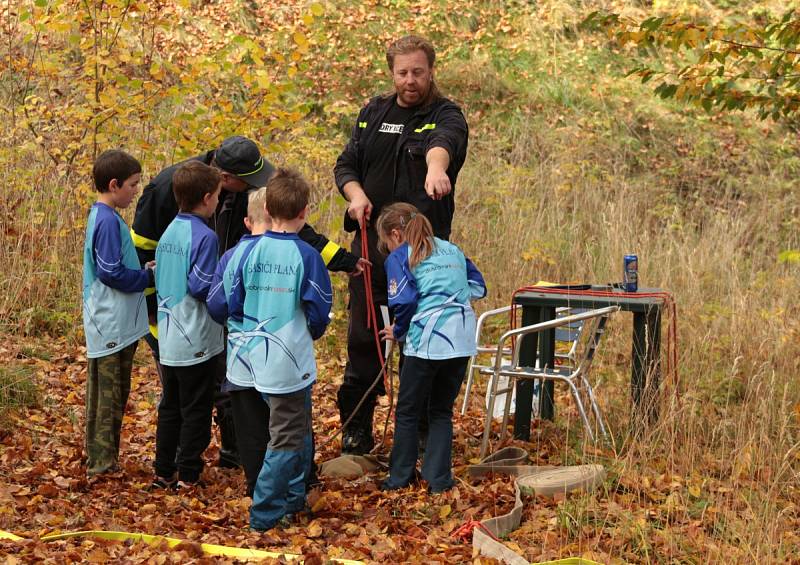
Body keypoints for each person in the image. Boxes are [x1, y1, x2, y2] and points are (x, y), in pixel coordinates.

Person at [133, 135, 360, 468]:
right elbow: (145, 251)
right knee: (188, 398)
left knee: (224, 385)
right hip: (181, 318)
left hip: (225, 308)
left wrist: (343, 259)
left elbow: (292, 227)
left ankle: (225, 456)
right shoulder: (169, 188)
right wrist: (155, 320)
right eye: (249, 181)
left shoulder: (244, 193)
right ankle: (184, 468)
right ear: (223, 180)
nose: (257, 187)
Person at [333, 34, 469, 454]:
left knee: (420, 339)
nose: (410, 80)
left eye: (418, 72)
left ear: (431, 71)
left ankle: (421, 432)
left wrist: (436, 170)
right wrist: (355, 194)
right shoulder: (374, 112)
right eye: (402, 72)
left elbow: (440, 147)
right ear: (392, 72)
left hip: (422, 257)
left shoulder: (446, 114)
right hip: (370, 251)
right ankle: (357, 427)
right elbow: (346, 164)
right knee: (364, 338)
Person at [215, 168, 331, 530]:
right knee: (286, 438)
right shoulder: (307, 256)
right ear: (304, 211)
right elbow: (320, 310)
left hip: (252, 359)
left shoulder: (246, 251)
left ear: (268, 207)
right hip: (287, 364)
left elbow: (231, 302)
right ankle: (264, 514)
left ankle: (294, 501)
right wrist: (304, 331)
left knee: (296, 433)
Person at [376, 203, 486, 493]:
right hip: (461, 341)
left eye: (386, 242)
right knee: (441, 410)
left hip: (425, 343)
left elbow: (404, 300)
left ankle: (399, 478)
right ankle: (438, 480)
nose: (387, 249)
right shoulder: (453, 249)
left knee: (408, 411)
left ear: (396, 234)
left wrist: (397, 331)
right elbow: (479, 286)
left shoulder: (402, 256)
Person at [152, 161, 225, 488]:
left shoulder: (170, 230)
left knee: (170, 406)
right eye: (218, 196)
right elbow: (200, 286)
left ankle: (163, 471)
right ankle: (189, 474)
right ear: (207, 198)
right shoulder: (205, 236)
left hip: (169, 338)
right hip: (196, 338)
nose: (219, 202)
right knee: (196, 408)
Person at [82, 149, 154, 478]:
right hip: (110, 323)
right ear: (114, 185)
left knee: (111, 392)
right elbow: (111, 272)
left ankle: (103, 458)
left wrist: (141, 267)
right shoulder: (107, 220)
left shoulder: (106, 217)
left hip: (114, 322)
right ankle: (101, 463)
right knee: (108, 395)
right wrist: (147, 276)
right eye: (133, 184)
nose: (136, 190)